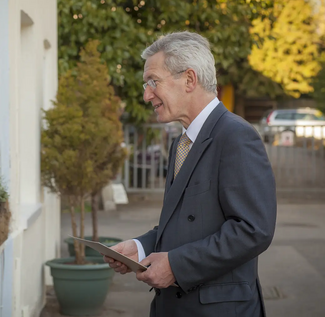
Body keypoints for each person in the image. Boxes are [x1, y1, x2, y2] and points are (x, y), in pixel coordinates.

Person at [104, 31, 277, 317]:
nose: (147, 95)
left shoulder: (236, 136)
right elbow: (185, 224)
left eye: (153, 82)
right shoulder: (181, 143)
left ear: (189, 80)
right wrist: (140, 248)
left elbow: (253, 230)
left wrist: (176, 266)